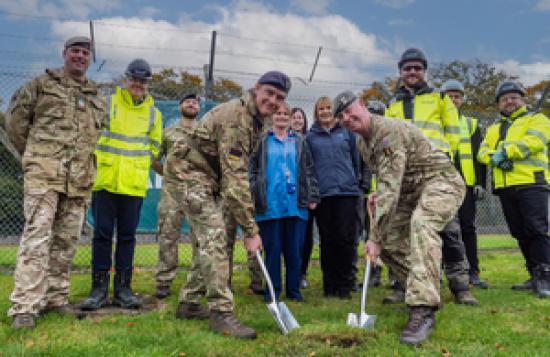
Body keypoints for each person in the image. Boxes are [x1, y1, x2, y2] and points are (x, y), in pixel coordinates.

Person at [164, 71, 291, 339]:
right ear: (256, 89)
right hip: (189, 173)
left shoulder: (258, 120)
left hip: (209, 176)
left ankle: (188, 303)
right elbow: (236, 179)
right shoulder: (238, 118)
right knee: (216, 236)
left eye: (279, 98)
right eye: (269, 93)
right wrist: (251, 230)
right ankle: (221, 312)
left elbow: (234, 172)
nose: (273, 100)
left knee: (211, 240)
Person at [333, 90, 466, 345]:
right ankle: (421, 287)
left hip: (440, 182)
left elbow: (391, 190)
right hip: (409, 191)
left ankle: (423, 310)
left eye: (350, 110)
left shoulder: (386, 131)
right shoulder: (362, 142)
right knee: (390, 243)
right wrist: (378, 197)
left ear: (362, 104)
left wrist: (374, 236)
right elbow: (387, 180)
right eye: (341, 117)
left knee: (422, 223)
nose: (347, 118)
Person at [6, 36, 106, 329]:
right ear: (64, 54)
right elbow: (15, 124)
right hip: (44, 175)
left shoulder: (95, 96)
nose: (80, 56)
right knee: (37, 239)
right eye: (74, 51)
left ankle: (55, 298)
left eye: (85, 53)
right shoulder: (41, 85)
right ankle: (24, 306)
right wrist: (36, 157)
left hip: (78, 180)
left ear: (90, 59)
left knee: (66, 242)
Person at [385, 48, 478, 306]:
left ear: (424, 71)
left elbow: (454, 134)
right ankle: (402, 284)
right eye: (407, 68)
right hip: (405, 177)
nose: (412, 72)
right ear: (401, 72)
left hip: (436, 174)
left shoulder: (440, 99)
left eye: (417, 67)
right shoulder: (391, 106)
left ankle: (460, 286)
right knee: (403, 233)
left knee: (448, 231)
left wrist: (442, 159)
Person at [80, 59, 162, 310]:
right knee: (102, 236)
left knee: (127, 238)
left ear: (148, 84)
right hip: (105, 181)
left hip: (134, 185)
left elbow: (155, 146)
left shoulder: (154, 114)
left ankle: (123, 289)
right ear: (126, 80)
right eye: (134, 79)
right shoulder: (108, 103)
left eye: (143, 81)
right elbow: (90, 134)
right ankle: (98, 290)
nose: (138, 84)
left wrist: (141, 162)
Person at [478, 81, 550, 298]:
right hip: (506, 187)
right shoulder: (492, 129)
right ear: (499, 104)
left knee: (536, 229)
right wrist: (496, 159)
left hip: (532, 183)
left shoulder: (537, 119)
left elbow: (535, 142)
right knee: (519, 232)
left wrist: (507, 152)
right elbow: (483, 152)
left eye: (514, 97)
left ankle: (545, 276)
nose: (509, 101)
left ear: (522, 100)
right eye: (504, 98)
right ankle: (533, 274)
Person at [249, 103, 319, 302]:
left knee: (294, 253)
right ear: (271, 117)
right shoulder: (262, 141)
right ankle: (273, 292)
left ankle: (294, 292)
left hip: (295, 205)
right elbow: (251, 168)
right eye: (277, 113)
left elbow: (309, 169)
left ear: (290, 118)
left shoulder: (299, 141)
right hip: (269, 205)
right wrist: (254, 188)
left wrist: (313, 195)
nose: (281, 117)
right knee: (272, 252)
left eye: (285, 114)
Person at [306, 96, 362, 299]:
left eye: (329, 108)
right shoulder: (310, 138)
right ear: (316, 112)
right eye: (321, 109)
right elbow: (309, 167)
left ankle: (346, 285)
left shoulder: (347, 133)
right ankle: (329, 285)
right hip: (324, 195)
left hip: (347, 193)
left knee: (346, 240)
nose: (325, 112)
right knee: (328, 241)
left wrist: (355, 182)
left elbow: (356, 161)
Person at [152, 93, 201, 299]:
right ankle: (164, 280)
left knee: (200, 238)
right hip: (172, 192)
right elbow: (154, 159)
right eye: (187, 101)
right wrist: (170, 175)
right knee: (167, 236)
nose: (191, 103)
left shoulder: (204, 133)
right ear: (180, 105)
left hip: (199, 192)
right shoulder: (168, 132)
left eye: (195, 102)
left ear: (199, 108)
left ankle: (199, 280)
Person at [441, 79, 489, 289]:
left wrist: (480, 183)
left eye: (457, 96)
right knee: (441, 229)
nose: (453, 99)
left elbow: (479, 156)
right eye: (449, 96)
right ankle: (442, 273)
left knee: (468, 228)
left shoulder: (471, 124)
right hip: (441, 183)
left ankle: (473, 271)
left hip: (467, 185)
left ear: (462, 100)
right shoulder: (436, 121)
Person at [290, 107, 314, 288]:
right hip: (287, 195)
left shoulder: (310, 139)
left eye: (300, 117)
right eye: (294, 117)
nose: (297, 120)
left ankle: (301, 273)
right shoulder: (284, 139)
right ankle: (289, 272)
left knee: (306, 237)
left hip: (306, 196)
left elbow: (312, 169)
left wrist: (313, 194)